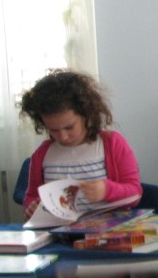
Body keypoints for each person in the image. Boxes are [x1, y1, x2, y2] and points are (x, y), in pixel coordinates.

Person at [17, 69, 141, 221]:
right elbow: (32, 196)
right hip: (61, 230)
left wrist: (107, 190)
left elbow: (135, 193)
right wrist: (32, 207)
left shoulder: (111, 143)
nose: (62, 136)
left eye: (69, 127)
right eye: (53, 130)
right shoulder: (43, 154)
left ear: (87, 115)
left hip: (107, 229)